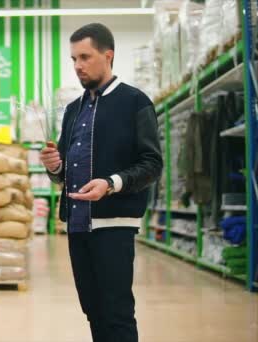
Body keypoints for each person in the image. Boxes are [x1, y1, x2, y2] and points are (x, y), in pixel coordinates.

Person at [40, 23, 163, 342]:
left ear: (108, 55)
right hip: (78, 224)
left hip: (114, 223)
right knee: (92, 309)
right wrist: (55, 168)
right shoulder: (72, 110)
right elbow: (64, 172)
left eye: (85, 57)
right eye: (73, 59)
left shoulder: (135, 102)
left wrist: (111, 183)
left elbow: (152, 164)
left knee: (117, 312)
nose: (78, 65)